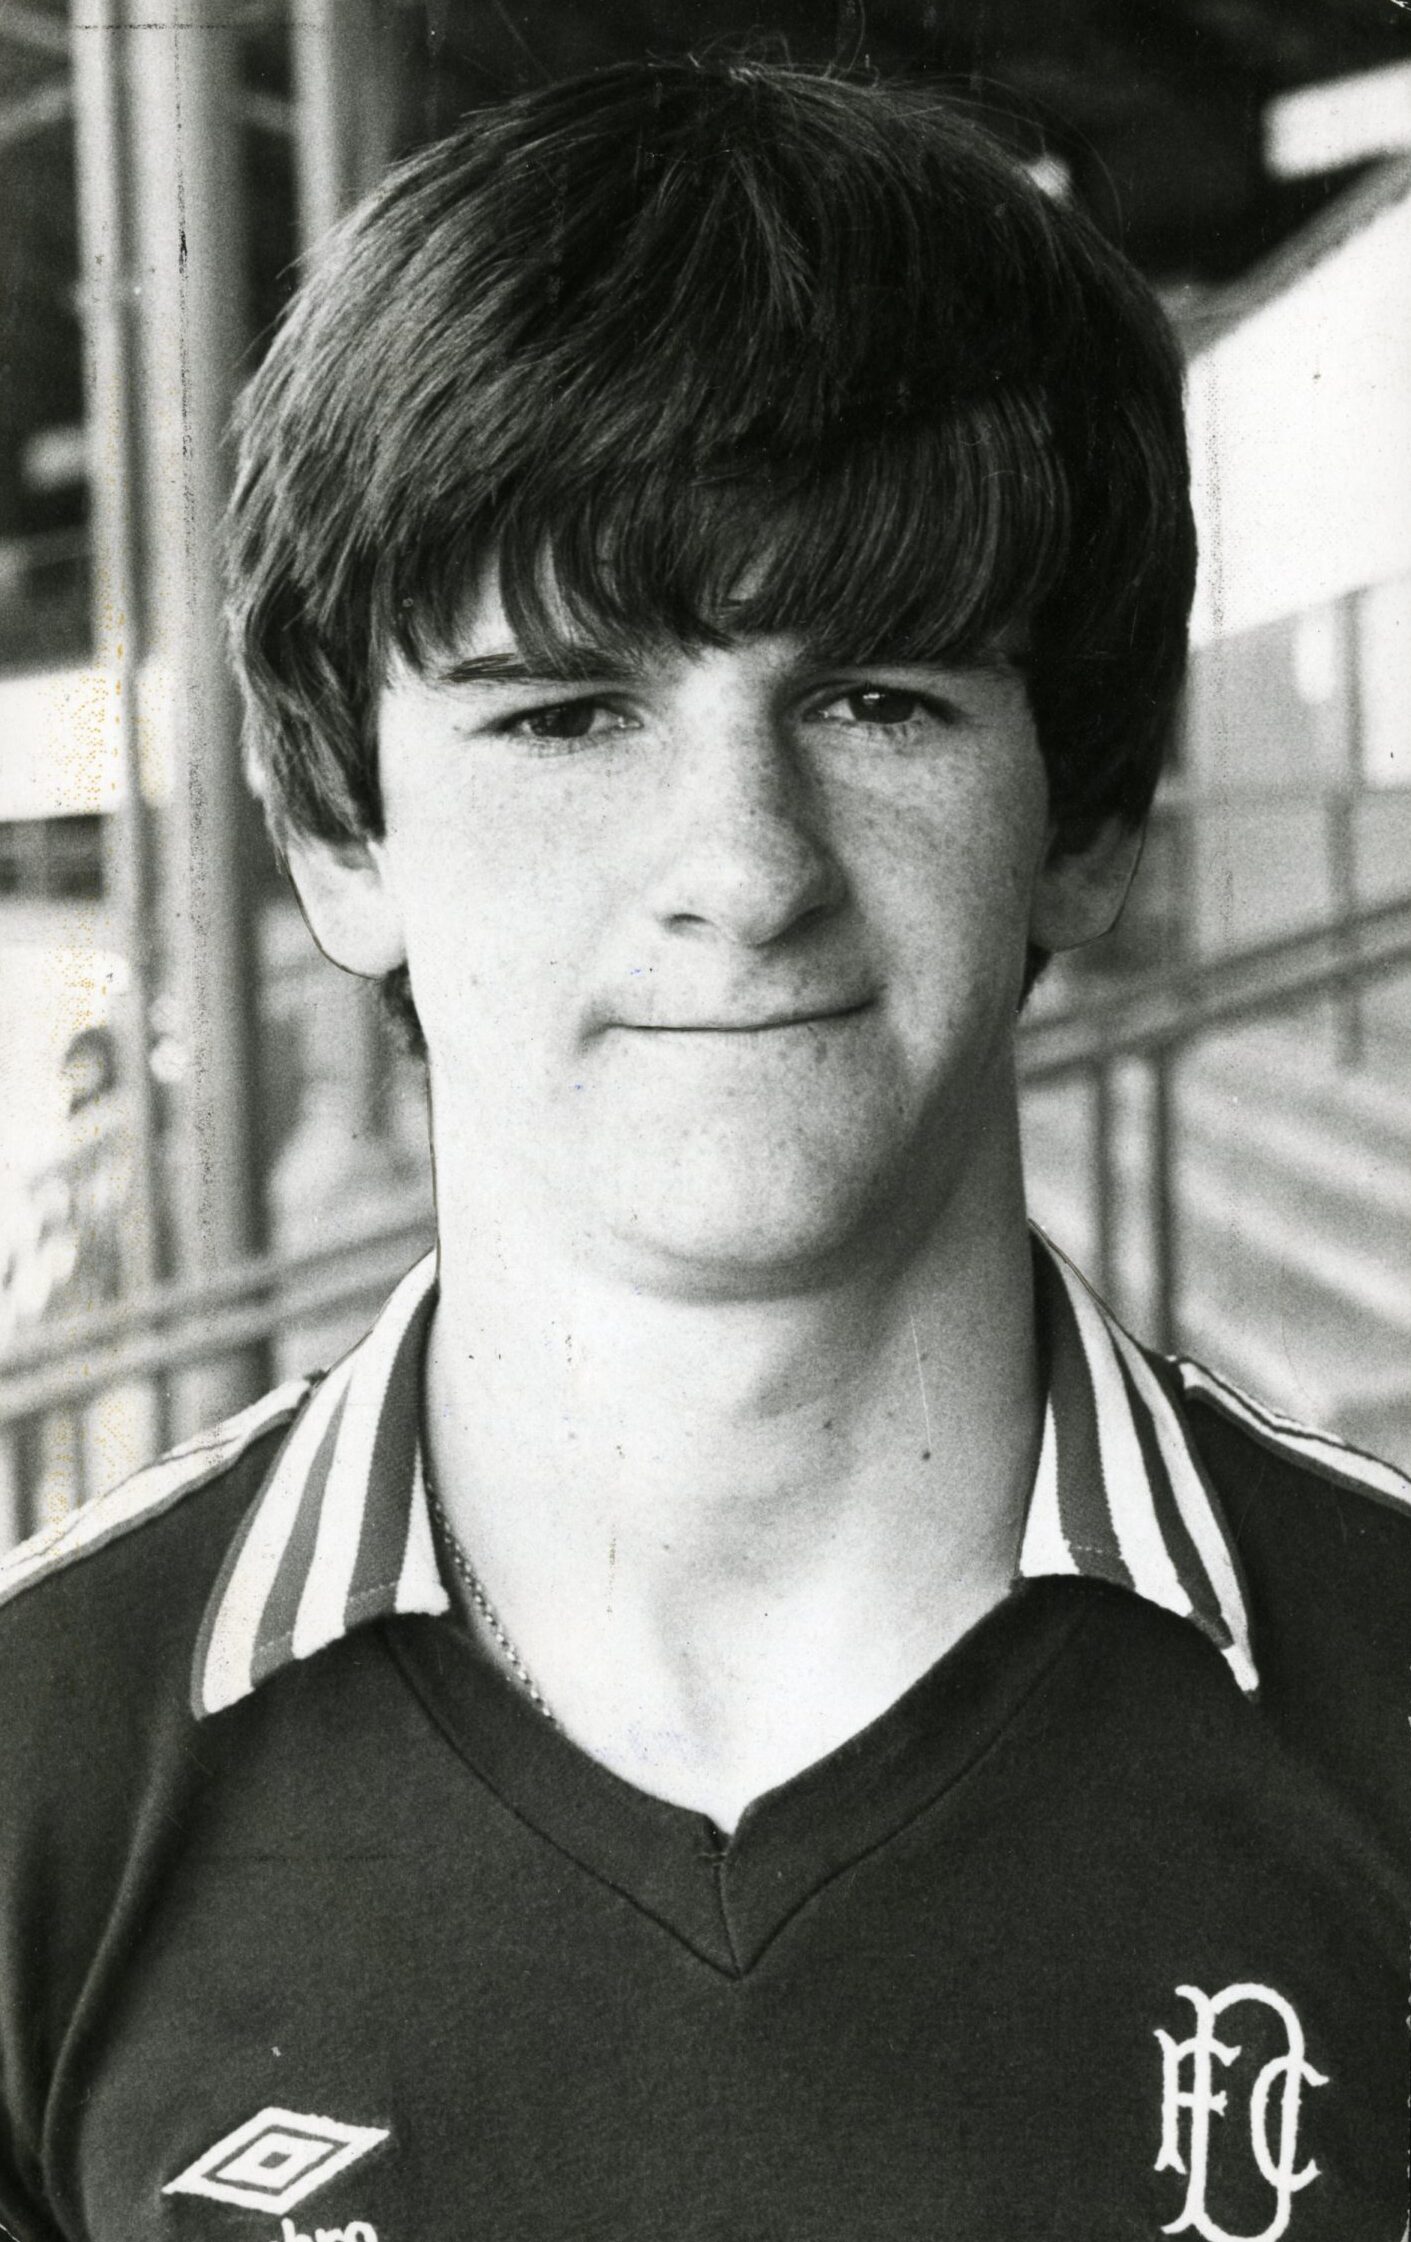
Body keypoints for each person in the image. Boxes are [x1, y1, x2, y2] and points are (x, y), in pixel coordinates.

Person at [1, 60, 1406, 2242]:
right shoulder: (33, 1779)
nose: (741, 868)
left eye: (879, 699)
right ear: (338, 844)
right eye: (567, 712)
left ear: (1092, 817)